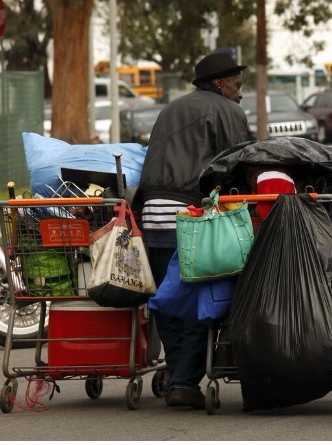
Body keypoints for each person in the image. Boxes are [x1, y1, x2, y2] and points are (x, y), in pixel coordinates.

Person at [136, 50, 253, 409]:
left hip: (153, 214)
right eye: (236, 85)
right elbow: (239, 163)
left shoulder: (170, 109)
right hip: (192, 217)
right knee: (204, 300)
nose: (240, 94)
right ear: (218, 83)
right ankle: (185, 382)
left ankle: (177, 375)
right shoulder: (227, 110)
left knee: (168, 301)